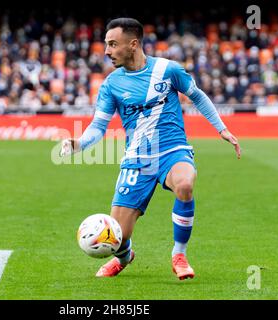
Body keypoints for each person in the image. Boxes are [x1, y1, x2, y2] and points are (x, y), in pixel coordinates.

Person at [60, 18, 241, 280]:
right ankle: (125, 257)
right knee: (118, 236)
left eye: (113, 44)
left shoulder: (169, 70)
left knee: (185, 184)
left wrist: (221, 128)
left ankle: (179, 255)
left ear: (133, 44)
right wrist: (78, 144)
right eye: (106, 45)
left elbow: (197, 95)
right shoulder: (111, 84)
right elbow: (98, 126)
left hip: (172, 150)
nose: (107, 51)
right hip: (137, 159)